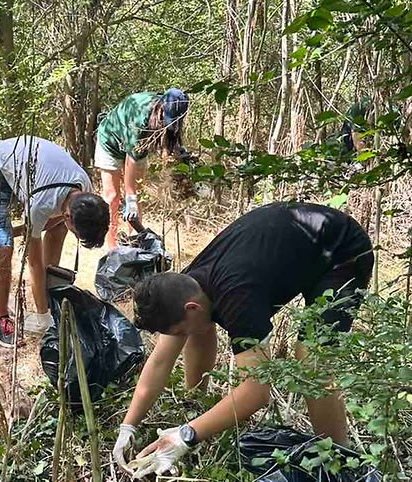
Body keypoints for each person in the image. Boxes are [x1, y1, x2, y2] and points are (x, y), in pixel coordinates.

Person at [112, 201, 373, 478]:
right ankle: (198, 404)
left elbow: (256, 393)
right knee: (197, 330)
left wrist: (187, 436)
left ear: (192, 308)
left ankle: (339, 461)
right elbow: (160, 361)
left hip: (343, 253)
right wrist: (127, 427)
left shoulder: (237, 296)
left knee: (311, 362)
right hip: (298, 247)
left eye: (178, 331)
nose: (179, 339)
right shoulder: (186, 285)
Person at [0, 136, 110, 347]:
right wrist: (43, 318)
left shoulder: (83, 189)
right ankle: (1, 320)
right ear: (68, 216)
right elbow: (34, 262)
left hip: (29, 170)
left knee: (56, 230)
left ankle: (49, 297)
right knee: (4, 247)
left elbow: (48, 225)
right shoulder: (41, 203)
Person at [95, 89, 190, 249]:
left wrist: (180, 154)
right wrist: (129, 200)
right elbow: (129, 162)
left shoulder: (174, 109)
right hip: (110, 143)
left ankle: (135, 242)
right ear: (161, 108)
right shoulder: (140, 117)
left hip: (138, 148)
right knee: (113, 197)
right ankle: (111, 247)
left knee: (137, 193)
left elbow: (168, 140)